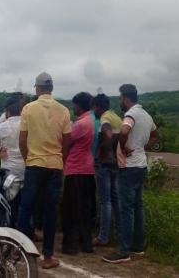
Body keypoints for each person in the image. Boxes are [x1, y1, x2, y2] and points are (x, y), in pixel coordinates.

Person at [17, 72, 71, 269]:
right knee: (50, 211)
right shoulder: (64, 110)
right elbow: (67, 142)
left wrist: (28, 159)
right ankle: (47, 257)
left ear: (38, 89)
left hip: (34, 164)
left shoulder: (28, 109)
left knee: (26, 207)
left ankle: (19, 249)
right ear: (52, 89)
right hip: (54, 166)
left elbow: (22, 140)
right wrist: (60, 160)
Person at [103, 84, 158, 264]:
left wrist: (125, 145)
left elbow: (124, 131)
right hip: (141, 165)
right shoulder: (147, 115)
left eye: (120, 98)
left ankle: (123, 250)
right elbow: (155, 134)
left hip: (128, 167)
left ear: (126, 98)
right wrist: (143, 147)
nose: (120, 101)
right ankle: (138, 246)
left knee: (126, 209)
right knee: (138, 206)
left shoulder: (131, 114)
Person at [61, 92, 96, 255]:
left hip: (76, 170)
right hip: (87, 168)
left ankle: (71, 244)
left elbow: (64, 140)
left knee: (71, 209)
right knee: (85, 209)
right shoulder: (91, 120)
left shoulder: (80, 124)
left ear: (80, 106)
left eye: (75, 105)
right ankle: (86, 243)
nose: (74, 107)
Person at [0, 97, 24, 227]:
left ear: (7, 112)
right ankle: (22, 230)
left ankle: (6, 227)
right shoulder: (26, 125)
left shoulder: (2, 126)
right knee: (23, 202)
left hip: (8, 170)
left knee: (7, 201)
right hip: (25, 168)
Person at [92, 94, 122, 247]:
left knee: (105, 201)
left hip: (104, 164)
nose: (94, 111)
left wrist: (104, 150)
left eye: (94, 108)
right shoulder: (117, 117)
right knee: (116, 200)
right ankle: (118, 233)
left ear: (98, 107)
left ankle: (103, 237)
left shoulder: (105, 118)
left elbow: (107, 134)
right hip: (116, 164)